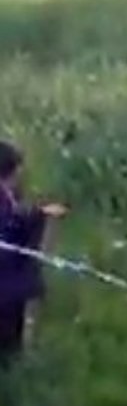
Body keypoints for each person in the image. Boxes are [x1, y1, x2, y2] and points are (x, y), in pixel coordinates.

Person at [0, 140, 68, 367]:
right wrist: (40, 218)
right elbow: (11, 233)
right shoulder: (3, 199)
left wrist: (37, 215)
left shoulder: (8, 199)